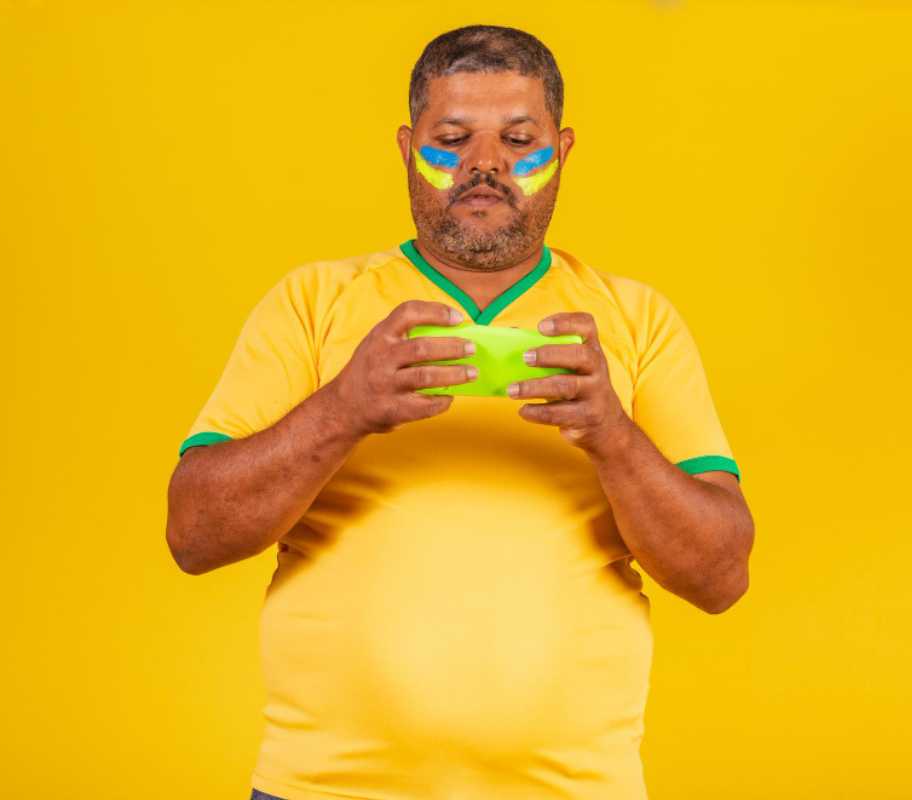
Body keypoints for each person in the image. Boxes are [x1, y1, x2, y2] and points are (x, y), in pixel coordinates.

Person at [166, 24, 755, 800]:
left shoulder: (638, 320)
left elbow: (720, 576)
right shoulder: (311, 303)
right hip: (322, 789)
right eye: (451, 139)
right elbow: (194, 535)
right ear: (407, 147)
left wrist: (612, 434)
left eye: (519, 139)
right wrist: (344, 408)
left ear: (562, 151)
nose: (485, 164)